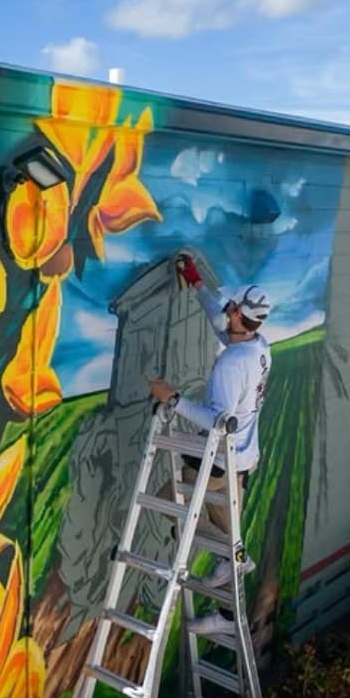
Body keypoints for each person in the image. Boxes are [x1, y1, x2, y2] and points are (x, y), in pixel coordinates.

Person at [148, 253, 272, 630]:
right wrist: (196, 281)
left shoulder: (231, 365)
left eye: (232, 307)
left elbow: (218, 421)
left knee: (171, 501)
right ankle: (229, 613)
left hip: (221, 455)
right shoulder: (258, 343)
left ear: (239, 317)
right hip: (244, 457)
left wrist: (171, 398)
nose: (228, 308)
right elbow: (219, 319)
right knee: (228, 532)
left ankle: (232, 558)